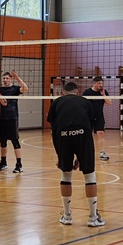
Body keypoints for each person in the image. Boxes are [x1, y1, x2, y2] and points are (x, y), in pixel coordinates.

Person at [47, 81, 104, 227]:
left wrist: (60, 155)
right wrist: (81, 154)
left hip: (63, 136)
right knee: (90, 175)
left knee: (66, 174)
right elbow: (90, 125)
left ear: (62, 93)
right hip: (83, 134)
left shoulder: (56, 103)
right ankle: (93, 217)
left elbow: (54, 131)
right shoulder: (85, 102)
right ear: (77, 92)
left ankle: (67, 216)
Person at [0, 70, 28, 173]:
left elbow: (25, 89)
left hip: (12, 117)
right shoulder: (0, 90)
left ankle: (19, 164)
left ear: (11, 79)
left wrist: (17, 78)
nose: (5, 80)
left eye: (7, 78)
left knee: (15, 141)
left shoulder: (15, 89)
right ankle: (3, 162)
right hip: (2, 118)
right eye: (4, 78)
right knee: (2, 141)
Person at [82, 75, 112, 161]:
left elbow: (109, 103)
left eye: (101, 83)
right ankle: (85, 153)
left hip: (99, 117)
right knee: (87, 135)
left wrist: (103, 95)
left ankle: (102, 153)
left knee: (100, 133)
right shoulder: (87, 92)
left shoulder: (103, 92)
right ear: (94, 83)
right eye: (99, 83)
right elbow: (82, 104)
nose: (101, 85)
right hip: (88, 117)